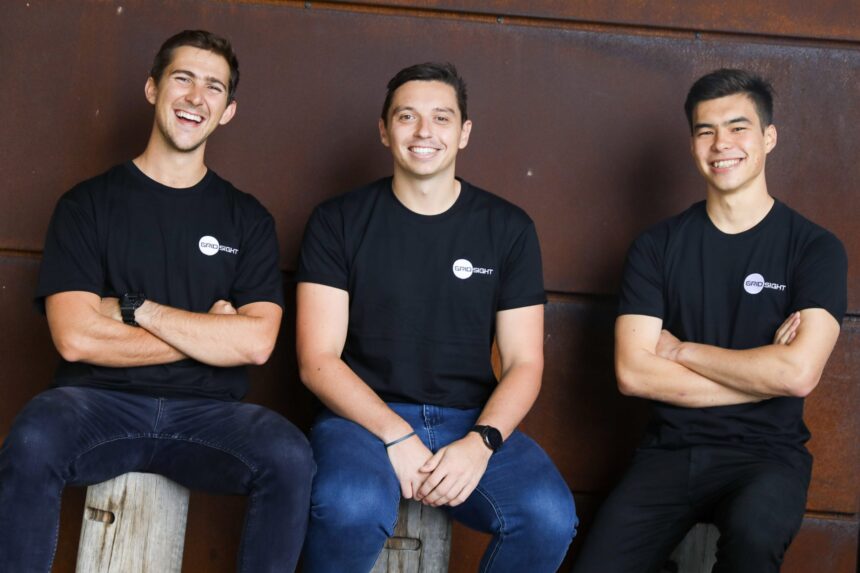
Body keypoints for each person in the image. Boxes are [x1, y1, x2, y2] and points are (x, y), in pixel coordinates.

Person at [0, 30, 314, 572]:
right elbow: (74, 338)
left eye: (213, 87)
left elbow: (257, 342)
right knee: (32, 439)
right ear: (152, 89)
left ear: (228, 111)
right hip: (98, 404)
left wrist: (133, 308)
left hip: (210, 416)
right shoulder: (87, 205)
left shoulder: (247, 218)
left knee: (288, 456)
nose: (196, 97)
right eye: (182, 78)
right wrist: (209, 335)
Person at [295, 62, 576, 572]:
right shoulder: (338, 221)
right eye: (407, 116)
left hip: (469, 419)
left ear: (464, 132)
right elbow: (317, 360)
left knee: (549, 516)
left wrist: (481, 443)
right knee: (351, 505)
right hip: (361, 419)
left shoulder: (507, 228)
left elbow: (524, 364)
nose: (424, 131)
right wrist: (395, 433)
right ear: (385, 130)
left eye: (441, 118)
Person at [572, 69, 847, 573]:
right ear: (693, 144)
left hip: (767, 455)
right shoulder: (656, 248)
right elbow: (633, 374)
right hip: (671, 450)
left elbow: (797, 374)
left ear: (768, 137)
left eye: (738, 127)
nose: (721, 143)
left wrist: (680, 351)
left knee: (755, 537)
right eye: (706, 131)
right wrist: (762, 376)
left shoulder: (814, 249)